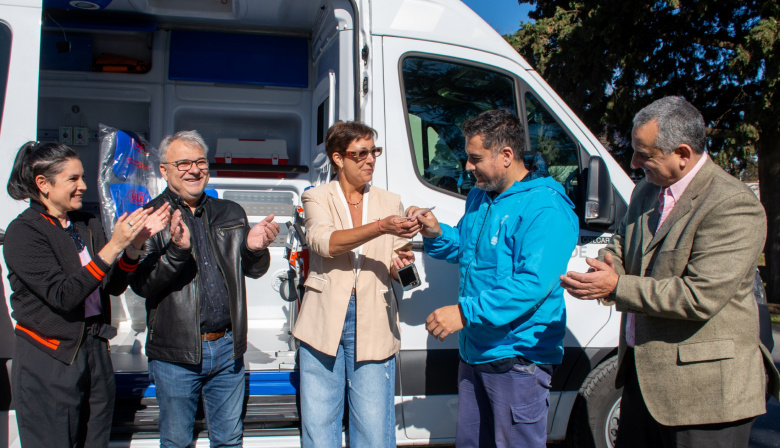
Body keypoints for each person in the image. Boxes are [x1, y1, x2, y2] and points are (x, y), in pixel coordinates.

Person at [559, 96, 780, 448]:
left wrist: (616, 286)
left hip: (705, 400)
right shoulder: (648, 190)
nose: (633, 162)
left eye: (644, 154)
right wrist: (606, 265)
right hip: (643, 386)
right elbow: (623, 243)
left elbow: (699, 297)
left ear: (682, 153)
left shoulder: (732, 204)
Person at [407, 109, 578, 448]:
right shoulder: (481, 196)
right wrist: (437, 232)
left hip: (516, 359)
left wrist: (464, 313)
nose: (467, 167)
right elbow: (469, 249)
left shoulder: (545, 208)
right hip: (475, 354)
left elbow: (532, 284)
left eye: (475, 159)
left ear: (506, 156)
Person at [4, 141, 169, 447]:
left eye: (82, 177)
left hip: (94, 351)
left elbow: (111, 286)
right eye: (73, 179)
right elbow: (64, 296)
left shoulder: (86, 224)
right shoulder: (24, 232)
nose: (82, 186)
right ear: (43, 184)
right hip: (50, 355)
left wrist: (134, 246)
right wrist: (114, 246)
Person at [129, 130, 280, 448]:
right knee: (177, 442)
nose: (193, 170)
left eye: (199, 161)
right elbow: (143, 285)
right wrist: (176, 252)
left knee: (228, 440)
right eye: (182, 162)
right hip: (175, 355)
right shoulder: (151, 218)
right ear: (164, 170)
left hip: (227, 350)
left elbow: (254, 272)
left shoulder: (230, 213)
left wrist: (255, 249)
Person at [292, 121, 419, 448]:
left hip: (375, 317)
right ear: (338, 158)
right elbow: (325, 244)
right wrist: (380, 227)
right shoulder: (316, 196)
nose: (370, 160)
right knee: (320, 427)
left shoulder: (391, 200)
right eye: (360, 153)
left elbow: (396, 260)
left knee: (375, 429)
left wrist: (401, 266)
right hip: (325, 317)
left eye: (373, 151)